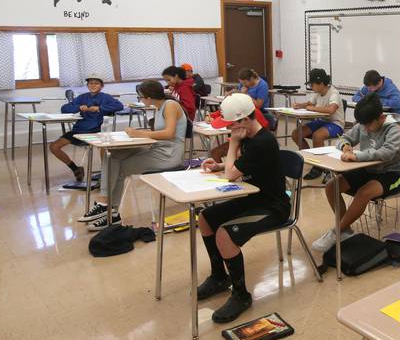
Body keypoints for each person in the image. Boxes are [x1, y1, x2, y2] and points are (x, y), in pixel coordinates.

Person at [195, 93, 291, 323]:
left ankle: (241, 294)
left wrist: (234, 143)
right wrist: (218, 164)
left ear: (243, 122)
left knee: (225, 235)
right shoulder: (250, 137)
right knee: (206, 218)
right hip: (252, 198)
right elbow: (237, 167)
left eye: (231, 126)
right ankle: (219, 277)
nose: (229, 130)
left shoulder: (261, 142)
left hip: (273, 206)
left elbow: (231, 175)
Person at [77, 80, 186, 231]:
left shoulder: (171, 105)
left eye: (140, 97)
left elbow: (169, 133)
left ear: (148, 97)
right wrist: (140, 133)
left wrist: (140, 133)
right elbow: (159, 134)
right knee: (113, 155)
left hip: (168, 154)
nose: (140, 100)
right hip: (157, 148)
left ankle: (110, 210)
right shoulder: (159, 108)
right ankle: (105, 204)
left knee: (121, 169)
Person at [312, 94, 400, 252]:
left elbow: (387, 153)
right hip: (368, 169)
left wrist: (356, 156)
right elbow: (343, 138)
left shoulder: (393, 129)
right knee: (331, 186)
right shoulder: (363, 124)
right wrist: (345, 146)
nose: (366, 129)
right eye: (363, 125)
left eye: (369, 125)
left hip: (392, 174)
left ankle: (336, 231)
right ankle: (346, 229)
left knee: (363, 193)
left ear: (380, 117)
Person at [50, 74, 123, 181]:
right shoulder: (82, 97)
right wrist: (78, 107)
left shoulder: (105, 97)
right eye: (91, 83)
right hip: (79, 131)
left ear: (101, 86)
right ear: (87, 85)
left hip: (96, 131)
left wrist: (99, 108)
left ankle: (105, 173)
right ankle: (75, 169)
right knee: (54, 147)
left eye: (96, 83)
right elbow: (64, 108)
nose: (93, 85)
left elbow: (119, 106)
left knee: (103, 146)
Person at [292, 68, 345, 180]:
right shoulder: (318, 93)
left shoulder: (333, 93)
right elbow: (309, 103)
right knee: (297, 133)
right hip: (322, 121)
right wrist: (300, 105)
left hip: (335, 124)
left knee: (318, 135)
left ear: (321, 83)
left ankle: (319, 167)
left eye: (312, 84)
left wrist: (314, 108)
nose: (311, 87)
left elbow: (331, 110)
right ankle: (311, 158)